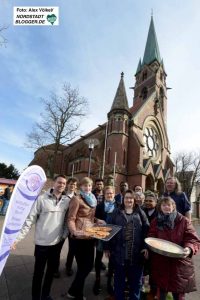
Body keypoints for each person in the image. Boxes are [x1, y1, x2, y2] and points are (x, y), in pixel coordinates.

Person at [11, 175, 69, 300]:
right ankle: (35, 297)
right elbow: (29, 220)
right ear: (54, 183)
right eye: (59, 182)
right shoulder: (41, 199)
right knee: (38, 273)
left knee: (50, 273)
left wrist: (63, 236)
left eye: (64, 183)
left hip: (56, 244)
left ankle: (46, 295)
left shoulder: (66, 201)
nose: (62, 185)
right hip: (42, 244)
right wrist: (17, 238)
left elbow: (66, 222)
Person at [147, 196, 200, 300]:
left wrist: (189, 248)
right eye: (164, 205)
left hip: (179, 264)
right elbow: (151, 236)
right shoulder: (155, 221)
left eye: (168, 205)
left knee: (178, 295)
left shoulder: (183, 221)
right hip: (161, 263)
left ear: (173, 206)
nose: (166, 207)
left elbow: (192, 239)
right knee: (161, 294)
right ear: (160, 207)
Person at [107, 189, 149, 300]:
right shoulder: (116, 211)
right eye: (126, 197)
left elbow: (146, 230)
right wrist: (107, 248)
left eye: (131, 197)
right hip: (119, 254)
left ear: (134, 200)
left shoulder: (140, 212)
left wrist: (145, 247)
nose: (129, 200)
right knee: (119, 283)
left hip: (136, 255)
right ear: (123, 199)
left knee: (136, 285)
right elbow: (108, 229)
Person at [67, 177, 104, 300]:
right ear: (80, 187)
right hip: (78, 237)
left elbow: (91, 218)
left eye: (89, 186)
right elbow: (71, 218)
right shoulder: (76, 199)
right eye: (85, 186)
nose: (87, 188)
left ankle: (73, 291)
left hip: (90, 236)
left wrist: (98, 220)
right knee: (84, 267)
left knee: (87, 266)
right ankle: (76, 293)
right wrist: (74, 231)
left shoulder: (92, 199)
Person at [93, 186, 117, 296]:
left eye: (111, 193)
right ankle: (97, 281)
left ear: (114, 194)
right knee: (98, 259)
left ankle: (109, 283)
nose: (109, 195)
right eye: (107, 193)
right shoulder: (99, 206)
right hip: (100, 235)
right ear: (104, 194)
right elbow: (94, 218)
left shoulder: (118, 206)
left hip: (113, 237)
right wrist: (98, 220)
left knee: (112, 261)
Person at [53, 177, 78, 278]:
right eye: (71, 184)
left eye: (75, 185)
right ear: (68, 185)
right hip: (61, 225)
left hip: (72, 227)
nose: (73, 186)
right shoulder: (62, 195)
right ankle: (55, 268)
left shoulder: (78, 197)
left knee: (72, 249)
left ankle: (68, 267)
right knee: (57, 248)